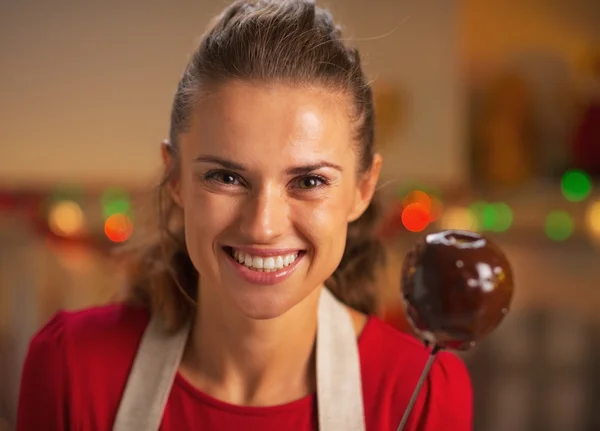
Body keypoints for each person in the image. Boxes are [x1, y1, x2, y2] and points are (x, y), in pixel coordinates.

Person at [16, 1, 472, 430]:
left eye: (309, 181)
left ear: (363, 189)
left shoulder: (422, 394)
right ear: (174, 178)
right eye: (226, 178)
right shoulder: (69, 367)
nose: (262, 226)